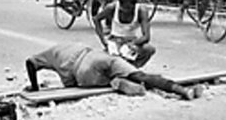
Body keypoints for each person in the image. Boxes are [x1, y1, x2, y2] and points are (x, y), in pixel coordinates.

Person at [24, 43, 203, 100]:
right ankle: (183, 90)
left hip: (83, 71)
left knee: (90, 81)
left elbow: (30, 62)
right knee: (142, 76)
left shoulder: (50, 54)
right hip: (97, 56)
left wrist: (35, 87)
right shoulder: (71, 45)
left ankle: (117, 83)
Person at [93, 0, 156, 68]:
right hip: (115, 40)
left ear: (134, 5)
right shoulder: (112, 7)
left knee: (149, 49)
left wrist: (131, 44)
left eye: (128, 7)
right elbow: (96, 19)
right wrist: (103, 40)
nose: (126, 10)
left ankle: (132, 68)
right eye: (123, 7)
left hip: (132, 42)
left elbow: (146, 37)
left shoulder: (141, 11)